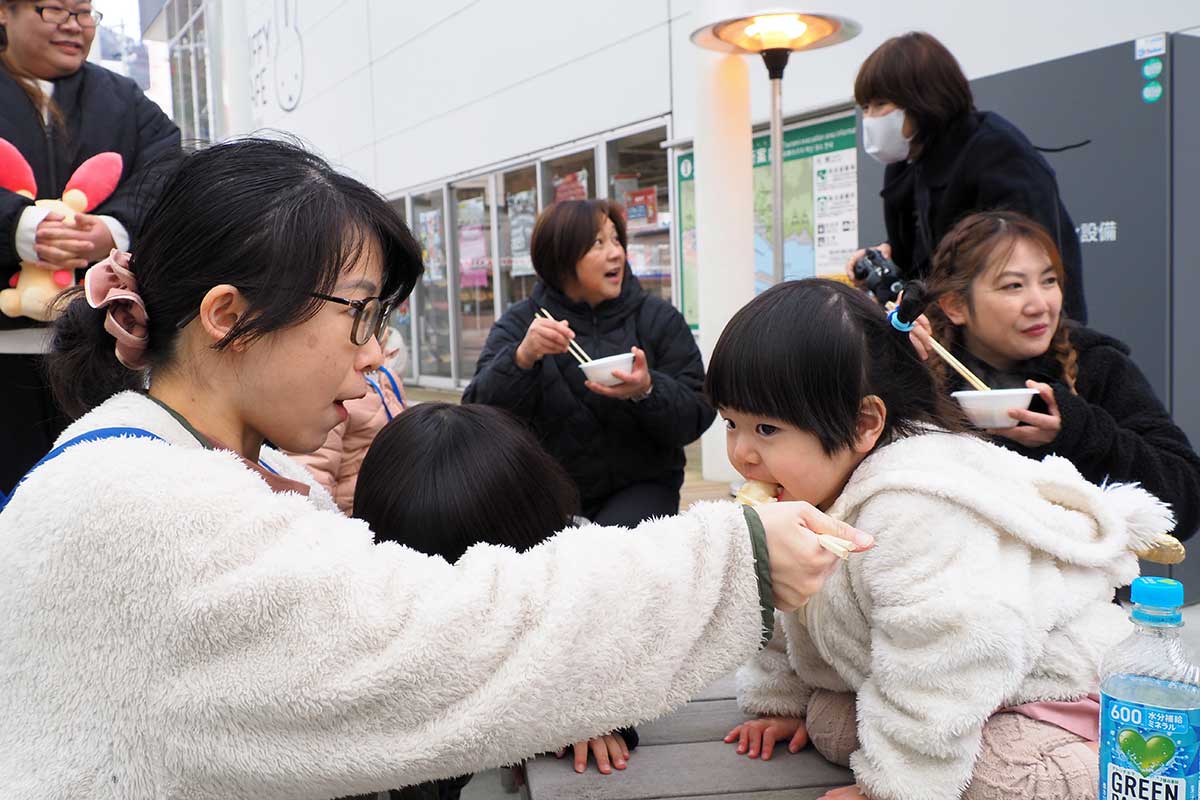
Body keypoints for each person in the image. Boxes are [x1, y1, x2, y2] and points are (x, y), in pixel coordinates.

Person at [0, 139, 872, 799]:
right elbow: (454, 638)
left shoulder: (172, 466)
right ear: (229, 316)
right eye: (359, 313)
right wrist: (739, 559)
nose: (378, 350)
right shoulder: (146, 511)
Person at [707, 279, 1170, 800]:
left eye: (766, 429)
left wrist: (893, 789)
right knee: (832, 726)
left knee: (999, 782)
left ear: (863, 423)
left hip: (1040, 683)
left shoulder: (913, 507)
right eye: (730, 423)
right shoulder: (801, 490)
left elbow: (948, 652)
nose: (742, 453)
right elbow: (785, 607)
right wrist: (780, 703)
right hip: (942, 680)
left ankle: (1123, 758)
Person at [353, 402, 636, 798]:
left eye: (478, 582)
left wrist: (592, 716)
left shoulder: (572, 566)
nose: (459, 603)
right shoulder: (367, 599)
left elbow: (615, 647)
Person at [906, 210, 1200, 540]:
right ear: (955, 306)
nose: (1040, 304)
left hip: (1085, 585)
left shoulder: (1097, 365)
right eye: (1013, 286)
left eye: (1049, 281)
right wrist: (894, 364)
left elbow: (1184, 501)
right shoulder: (926, 374)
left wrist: (1079, 431)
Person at [0, 0, 180, 494]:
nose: (74, 25)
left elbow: (167, 170)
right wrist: (17, 227)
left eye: (84, 13)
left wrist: (112, 230)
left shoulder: (121, 97)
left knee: (99, 494)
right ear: (4, 12)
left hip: (99, 350)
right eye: (54, 8)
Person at [462, 199, 713, 527]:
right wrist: (522, 358)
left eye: (616, 239)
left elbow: (698, 411)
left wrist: (647, 389)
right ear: (561, 257)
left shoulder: (657, 318)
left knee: (610, 556)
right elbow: (478, 415)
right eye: (598, 243)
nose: (616, 253)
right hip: (546, 493)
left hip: (642, 486)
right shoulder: (522, 323)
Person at [845, 31, 1086, 323]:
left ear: (922, 99)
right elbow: (918, 262)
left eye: (880, 104)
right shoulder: (906, 164)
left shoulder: (998, 154)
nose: (870, 118)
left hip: (1024, 336)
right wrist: (886, 259)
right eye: (865, 108)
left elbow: (1029, 266)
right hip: (948, 339)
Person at [288, 330, 408, 515]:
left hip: (394, 504)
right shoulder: (335, 393)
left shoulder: (388, 377)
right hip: (355, 514)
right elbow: (315, 470)